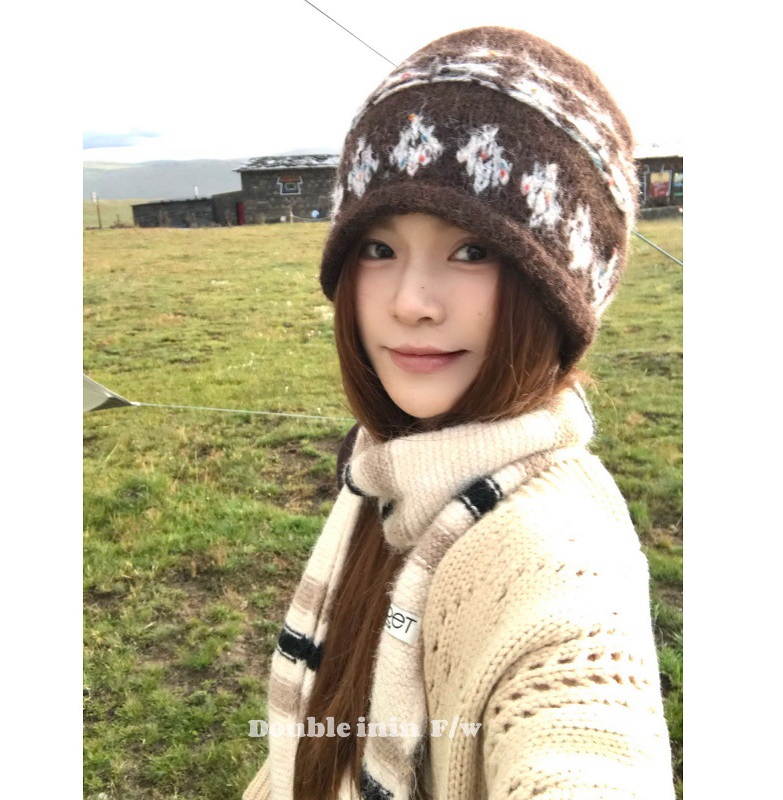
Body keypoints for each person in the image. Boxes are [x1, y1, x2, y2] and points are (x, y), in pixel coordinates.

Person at [243, 26, 675, 800]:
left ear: (557, 290)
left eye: (472, 251)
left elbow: (584, 741)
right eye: (378, 248)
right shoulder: (389, 468)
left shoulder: (553, 556)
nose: (411, 302)